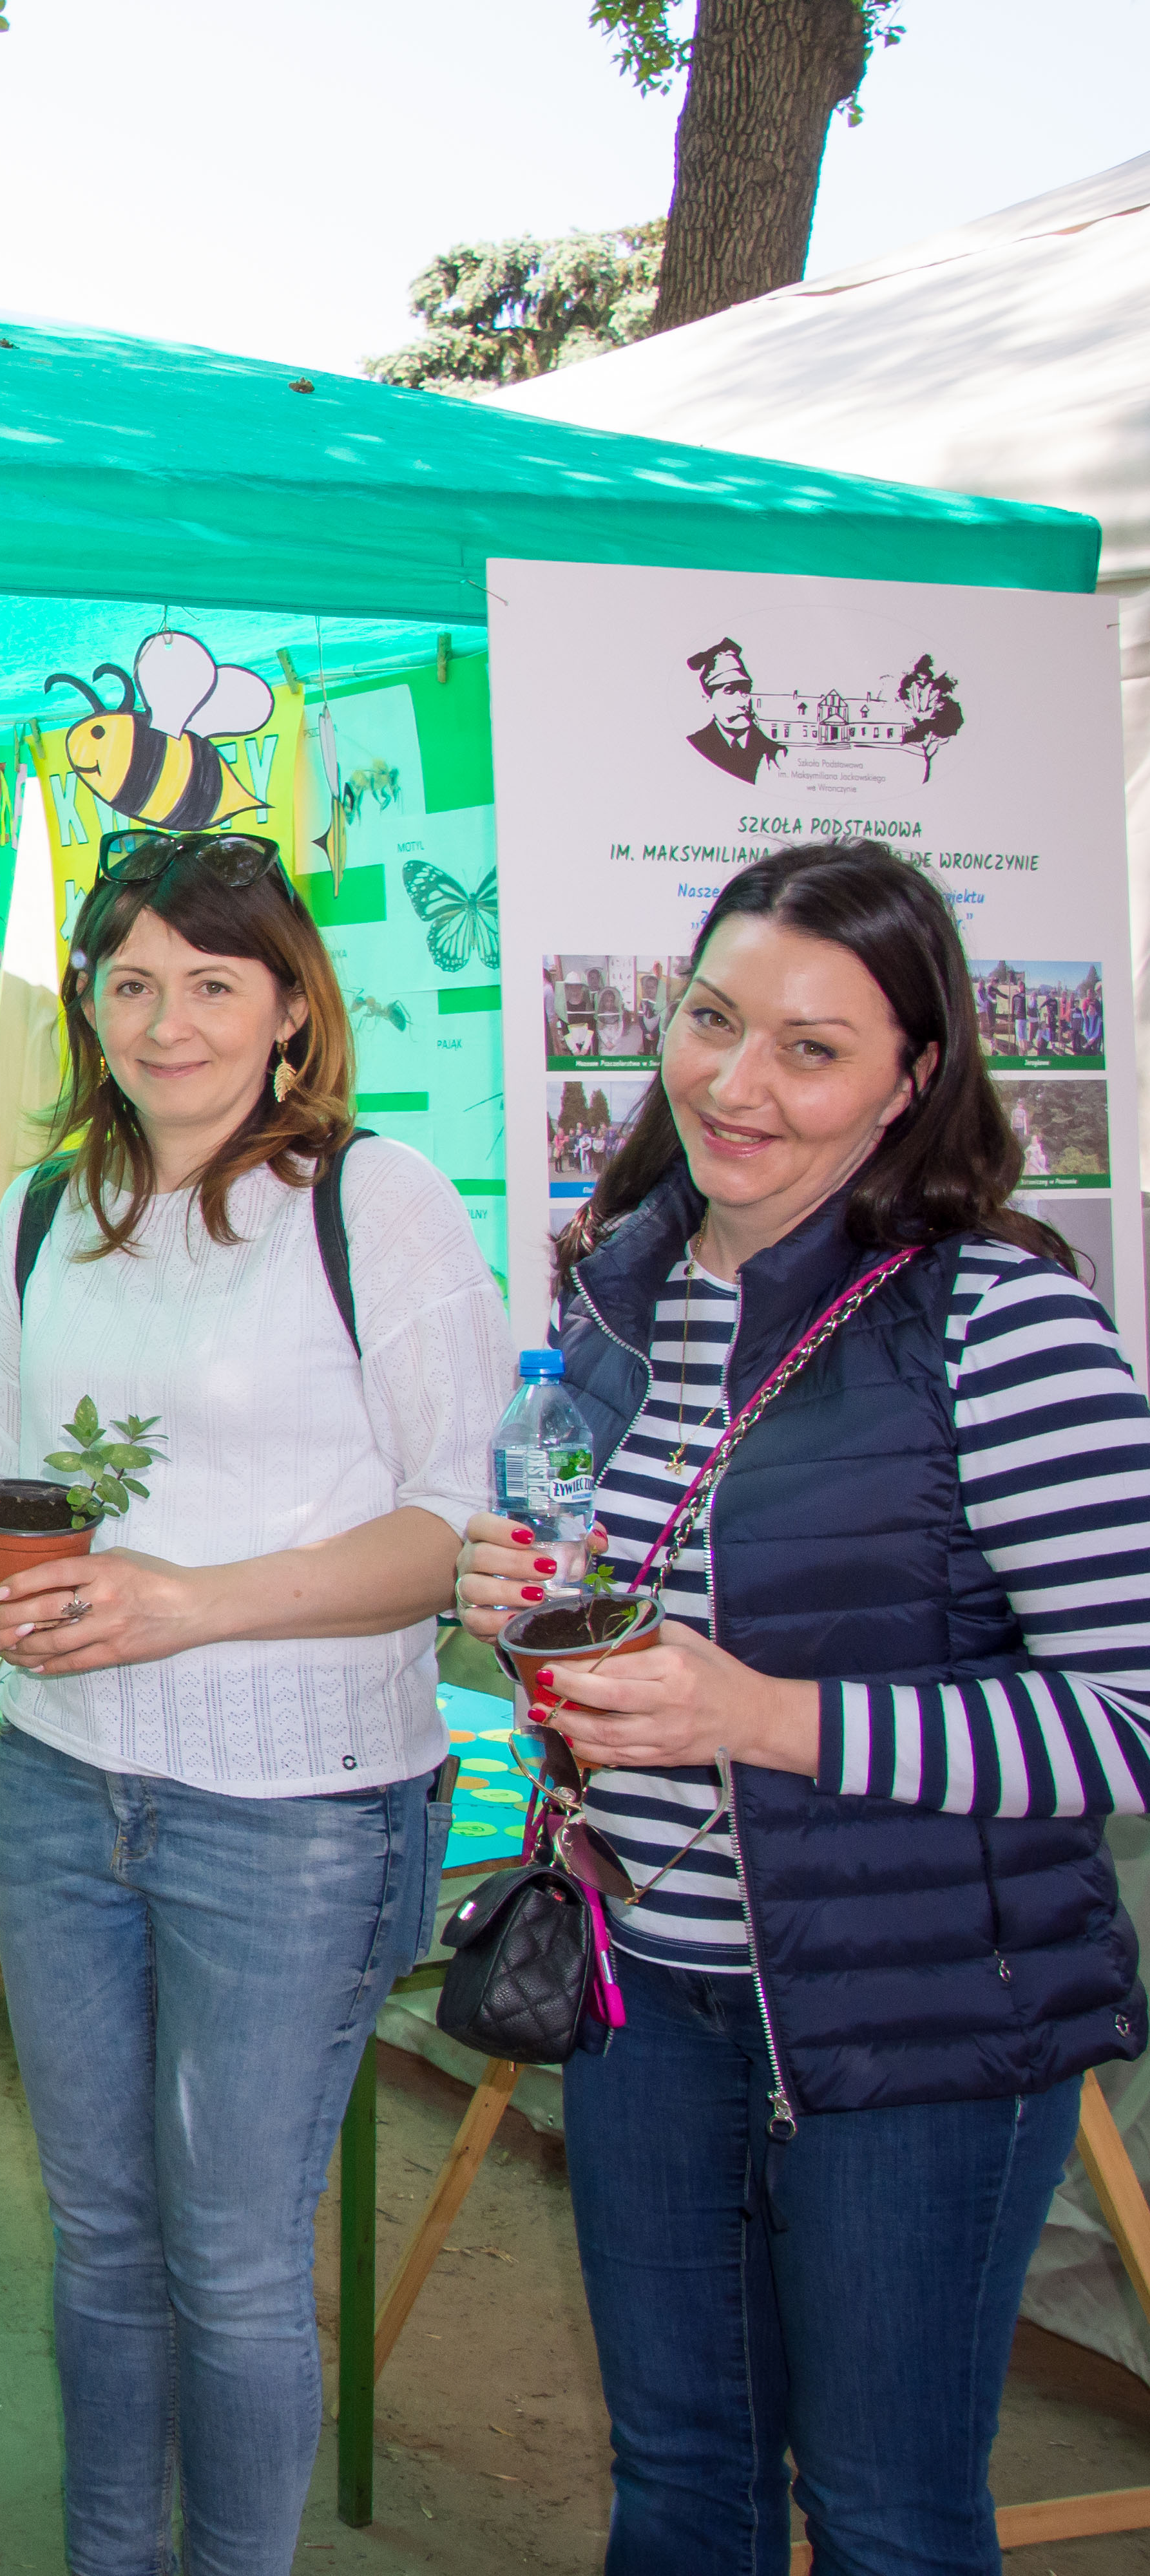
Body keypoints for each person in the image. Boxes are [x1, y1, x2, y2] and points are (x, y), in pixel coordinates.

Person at [452, 841, 1150, 2575]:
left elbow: (1130, 1717)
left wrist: (766, 1716)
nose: (735, 1082)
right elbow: (635, 1639)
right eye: (712, 1018)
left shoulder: (999, 1322)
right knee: (681, 2486)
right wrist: (530, 1624)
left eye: (812, 1048)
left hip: (919, 2028)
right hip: (648, 1998)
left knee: (887, 2515)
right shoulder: (618, 1303)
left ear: (913, 1078)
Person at [0, 828, 510, 2574]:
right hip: (63, 1784)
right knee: (102, 2236)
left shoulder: (372, 1203)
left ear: (289, 1010)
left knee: (235, 2256)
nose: (166, 1021)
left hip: (299, 1811)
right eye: (129, 984)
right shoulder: (46, 1212)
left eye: (212, 983)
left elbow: (454, 1532)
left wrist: (185, 1605)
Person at [684, 637, 781, 784]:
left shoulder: (775, 754)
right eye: (730, 691)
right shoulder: (695, 746)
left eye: (745, 691)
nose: (743, 701)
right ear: (707, 699)